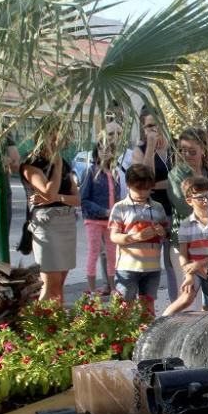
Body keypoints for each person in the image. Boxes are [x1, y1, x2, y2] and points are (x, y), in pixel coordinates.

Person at [21, 118, 79, 304]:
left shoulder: (66, 162)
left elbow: (77, 199)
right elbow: (48, 191)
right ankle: (41, 326)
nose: (59, 141)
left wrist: (57, 198)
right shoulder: (31, 164)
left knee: (59, 285)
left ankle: (56, 326)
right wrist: (58, 166)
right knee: (51, 285)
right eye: (55, 136)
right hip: (47, 224)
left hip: (67, 222)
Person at [131, 107, 178, 302]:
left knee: (172, 262)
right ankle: (145, 306)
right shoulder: (139, 150)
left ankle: (177, 303)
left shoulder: (174, 147)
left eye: (155, 126)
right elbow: (145, 179)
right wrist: (150, 148)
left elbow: (180, 179)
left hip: (172, 211)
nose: (152, 130)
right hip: (149, 214)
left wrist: (161, 184)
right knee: (148, 263)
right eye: (148, 126)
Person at [162, 176, 208, 316]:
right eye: (200, 197)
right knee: (186, 296)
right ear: (189, 201)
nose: (205, 200)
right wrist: (189, 274)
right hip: (196, 272)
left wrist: (199, 264)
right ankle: (162, 322)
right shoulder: (186, 225)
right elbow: (183, 255)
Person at [108, 163, 169, 312]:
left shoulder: (157, 207)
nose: (142, 192)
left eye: (147, 189)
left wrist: (162, 232)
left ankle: (146, 334)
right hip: (127, 267)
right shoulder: (120, 207)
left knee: (147, 307)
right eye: (138, 188)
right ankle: (124, 335)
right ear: (128, 185)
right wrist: (135, 237)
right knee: (124, 307)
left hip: (152, 268)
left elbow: (166, 233)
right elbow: (114, 237)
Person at [80, 134, 125, 295]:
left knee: (112, 254)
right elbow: (84, 199)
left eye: (109, 149)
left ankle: (113, 288)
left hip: (111, 221)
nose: (105, 152)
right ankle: (92, 290)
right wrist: (103, 211)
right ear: (96, 151)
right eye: (101, 148)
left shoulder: (115, 173)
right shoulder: (91, 172)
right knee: (94, 252)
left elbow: (118, 196)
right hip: (94, 219)